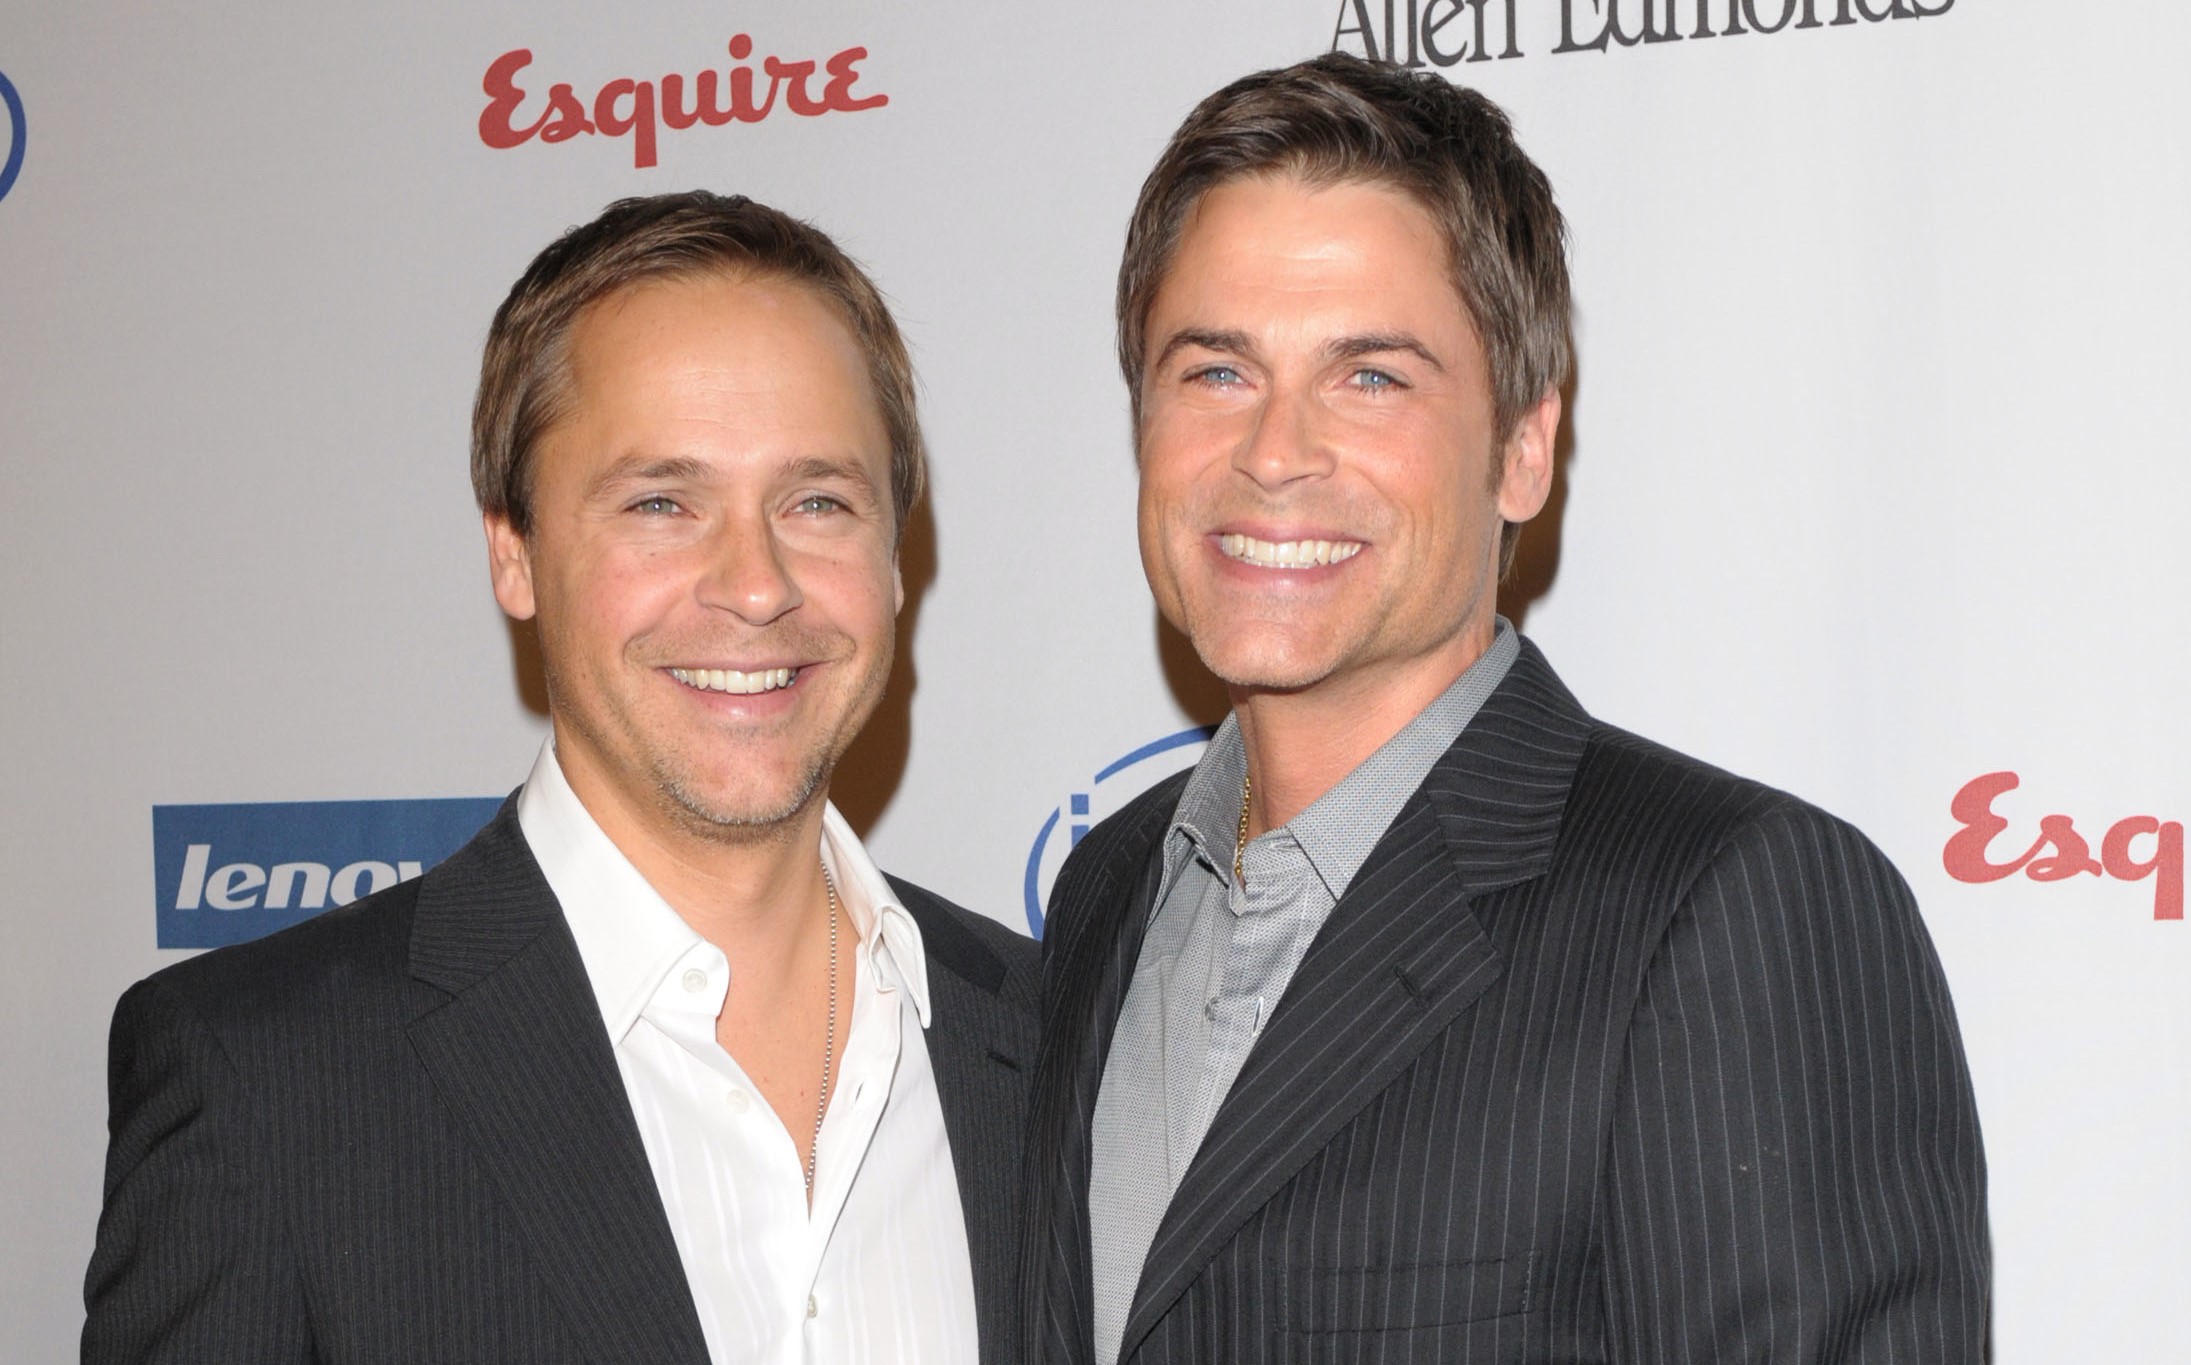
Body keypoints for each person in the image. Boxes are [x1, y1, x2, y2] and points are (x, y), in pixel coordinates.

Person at [1022, 53, 1988, 1365]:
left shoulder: (1725, 907)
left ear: (1522, 447)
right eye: (1213, 371)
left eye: (1369, 376)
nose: (1270, 451)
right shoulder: (1103, 894)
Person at [84, 191, 1035, 1365]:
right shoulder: (264, 1087)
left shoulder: (1053, 1042)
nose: (755, 584)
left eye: (818, 502)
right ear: (515, 554)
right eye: (660, 503)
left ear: (896, 560)